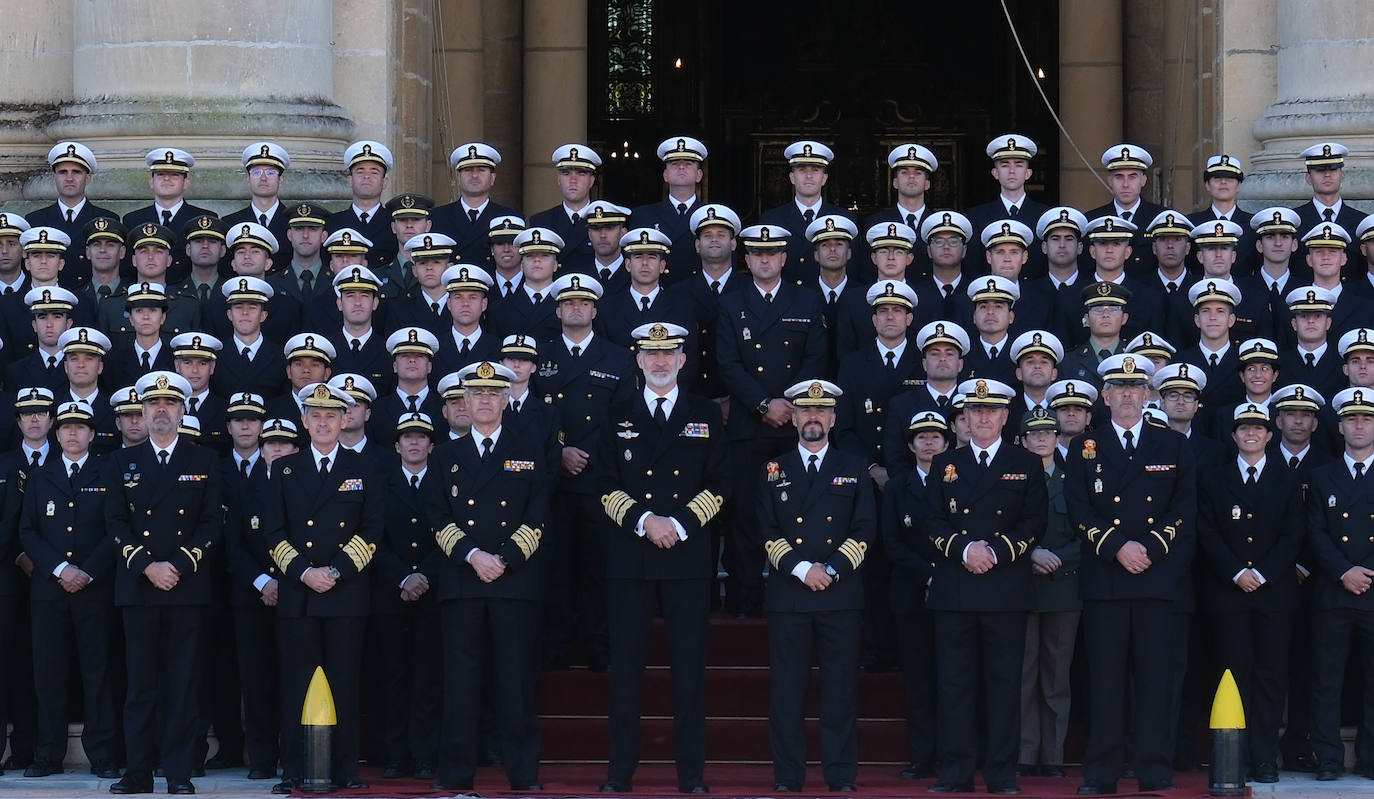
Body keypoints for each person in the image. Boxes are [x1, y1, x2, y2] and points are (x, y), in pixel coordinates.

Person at [597, 322, 727, 794]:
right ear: (637, 360)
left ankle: (691, 775)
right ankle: (619, 772)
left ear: (682, 360)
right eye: (650, 353)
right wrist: (645, 520)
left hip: (686, 557)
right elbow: (603, 483)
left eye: (667, 353)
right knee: (626, 672)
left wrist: (680, 524)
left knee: (688, 672)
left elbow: (720, 481)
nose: (659, 361)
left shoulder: (705, 413)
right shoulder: (616, 411)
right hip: (630, 558)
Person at [1065, 353, 1196, 794]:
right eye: (1118, 388)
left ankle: (1153, 769)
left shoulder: (1173, 445)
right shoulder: (1086, 446)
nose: (1126, 395)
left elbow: (1184, 509)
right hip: (1106, 579)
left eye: (1134, 388)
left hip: (1155, 579)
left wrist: (1150, 548)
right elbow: (1079, 510)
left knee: (1155, 680)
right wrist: (1118, 546)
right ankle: (1102, 772)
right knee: (1106, 681)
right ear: (1104, 396)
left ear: (1147, 395)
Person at [425, 361, 549, 792]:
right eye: (476, 394)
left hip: (513, 581)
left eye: (493, 394)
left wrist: (505, 558)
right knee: (460, 684)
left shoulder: (529, 449)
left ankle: (523, 774)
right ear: (464, 400)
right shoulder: (445, 455)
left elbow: (538, 514)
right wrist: (474, 555)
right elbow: (436, 515)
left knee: (515, 682)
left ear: (506, 399)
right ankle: (456, 773)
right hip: (463, 581)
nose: (483, 401)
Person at [923, 378, 1047, 794]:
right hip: (955, 587)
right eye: (975, 411)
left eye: (991, 411)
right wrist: (964, 549)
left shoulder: (1026, 463)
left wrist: (993, 552)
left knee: (1003, 686)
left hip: (1004, 588)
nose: (983, 418)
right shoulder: (945, 463)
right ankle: (956, 773)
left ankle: (1001, 774)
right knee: (954, 686)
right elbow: (932, 521)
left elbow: (1035, 522)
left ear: (1005, 416)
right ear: (964, 418)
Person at [105, 370, 222, 796]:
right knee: (140, 687)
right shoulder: (122, 462)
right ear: (142, 411)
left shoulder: (204, 461)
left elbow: (212, 522)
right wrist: (147, 566)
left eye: (169, 403)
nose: (160, 410)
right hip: (139, 588)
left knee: (182, 685)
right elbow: (114, 522)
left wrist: (178, 565)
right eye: (153, 404)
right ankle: (137, 772)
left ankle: (178, 772)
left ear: (182, 410)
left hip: (185, 588)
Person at [263, 381, 380, 794]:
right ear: (304, 420)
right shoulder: (285, 469)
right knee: (296, 683)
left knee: (345, 683)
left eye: (332, 415)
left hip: (345, 593)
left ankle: (346, 768)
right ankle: (294, 769)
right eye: (316, 415)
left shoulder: (365, 467)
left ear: (345, 420)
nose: (324, 422)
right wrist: (303, 572)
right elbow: (273, 531)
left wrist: (335, 572)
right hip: (299, 595)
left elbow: (372, 529)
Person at [759, 379, 873, 793]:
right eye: (806, 410)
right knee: (787, 693)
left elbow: (865, 529)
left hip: (839, 595)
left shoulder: (854, 467)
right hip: (790, 595)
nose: (814, 417)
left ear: (833, 419)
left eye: (821, 411)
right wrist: (803, 569)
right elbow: (766, 529)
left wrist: (831, 569)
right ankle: (788, 775)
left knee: (839, 692)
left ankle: (840, 774)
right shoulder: (774, 469)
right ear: (794, 418)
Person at [716, 223, 827, 617]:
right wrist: (764, 404)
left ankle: (796, 595)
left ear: (783, 258)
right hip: (749, 427)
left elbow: (816, 358)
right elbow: (727, 363)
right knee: (745, 516)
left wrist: (790, 405)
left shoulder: (806, 300)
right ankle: (746, 600)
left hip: (795, 428)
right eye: (757, 254)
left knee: (798, 514)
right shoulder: (731, 303)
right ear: (746, 260)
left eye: (772, 253)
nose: (764, 260)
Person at [1197, 402, 1303, 783]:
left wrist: (1261, 573)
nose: (1251, 434)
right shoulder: (1214, 478)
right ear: (1234, 435)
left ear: (1270, 434)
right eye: (1244, 428)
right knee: (1232, 675)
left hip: (1274, 595)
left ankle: (1264, 758)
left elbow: (1293, 535)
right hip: (1229, 594)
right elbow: (1207, 533)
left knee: (1270, 678)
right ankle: (1234, 758)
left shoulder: (1287, 479)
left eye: (1258, 428)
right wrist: (1237, 572)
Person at [17, 400, 119, 778]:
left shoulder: (108, 472)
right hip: (50, 591)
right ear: (56, 434)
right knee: (49, 674)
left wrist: (86, 571)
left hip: (95, 589)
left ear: (92, 434)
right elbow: (27, 530)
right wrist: (61, 569)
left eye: (80, 427)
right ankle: (48, 754)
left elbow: (115, 527)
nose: (72, 433)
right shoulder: (40, 475)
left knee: (99, 673)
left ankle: (103, 755)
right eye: (65, 427)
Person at [1305, 386, 1374, 781]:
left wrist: (1364, 571)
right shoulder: (1321, 476)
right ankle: (1328, 758)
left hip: (1373, 590)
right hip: (1334, 590)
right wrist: (1344, 571)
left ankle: (1371, 758)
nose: (1359, 425)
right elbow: (1315, 532)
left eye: (1366, 419)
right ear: (1340, 426)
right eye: (1352, 419)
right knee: (1325, 680)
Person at [373, 411, 442, 780]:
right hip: (392, 593)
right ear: (397, 446)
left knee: (427, 677)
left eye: (421, 437)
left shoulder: (444, 481)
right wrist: (403, 577)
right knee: (394, 676)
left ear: (431, 446)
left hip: (433, 593)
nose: (414, 443)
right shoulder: (381, 484)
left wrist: (422, 577)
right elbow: (372, 537)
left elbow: (451, 531)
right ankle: (395, 755)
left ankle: (425, 755)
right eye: (407, 437)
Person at [883, 410, 949, 780]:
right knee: (919, 679)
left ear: (946, 443)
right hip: (911, 592)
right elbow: (892, 541)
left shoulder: (959, 481)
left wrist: (944, 575)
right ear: (910, 445)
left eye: (935, 437)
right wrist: (928, 574)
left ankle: (956, 754)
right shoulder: (897, 487)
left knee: (954, 677)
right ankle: (922, 756)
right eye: (921, 437)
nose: (928, 443)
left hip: (955, 591)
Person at [1018, 407, 1079, 779]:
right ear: (1023, 440)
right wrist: (1029, 555)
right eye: (1034, 433)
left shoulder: (1075, 478)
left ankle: (1053, 755)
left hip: (1063, 588)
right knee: (1023, 675)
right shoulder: (1012, 478)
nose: (1041, 439)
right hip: (1021, 587)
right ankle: (1026, 753)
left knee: (1056, 676)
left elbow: (1088, 530)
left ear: (1058, 438)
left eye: (1048, 433)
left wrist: (1058, 558)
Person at [760, 140, 855, 284]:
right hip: (789, 296)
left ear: (824, 178)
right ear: (792, 177)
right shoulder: (772, 219)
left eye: (815, 170)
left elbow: (853, 270)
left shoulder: (844, 219)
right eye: (802, 170)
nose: (809, 176)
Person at [27, 142, 118, 288]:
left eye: (76, 172)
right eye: (63, 172)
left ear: (88, 178)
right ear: (54, 177)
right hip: (49, 297)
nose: (69, 178)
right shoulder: (35, 220)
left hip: (90, 297)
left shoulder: (106, 219)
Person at [121, 148, 218, 284]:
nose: (167, 179)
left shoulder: (203, 218)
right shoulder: (132, 220)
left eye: (174, 175)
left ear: (186, 183)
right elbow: (126, 268)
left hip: (189, 293)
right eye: (160, 174)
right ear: (151, 182)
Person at [967, 135, 1051, 279]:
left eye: (1019, 164)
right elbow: (974, 266)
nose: (1012, 171)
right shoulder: (977, 216)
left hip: (1034, 291)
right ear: (995, 173)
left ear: (1028, 173)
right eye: (1005, 165)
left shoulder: (1045, 215)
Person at [630, 136, 708, 282]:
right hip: (659, 290)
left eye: (688, 163)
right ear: (665, 175)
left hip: (697, 291)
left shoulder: (709, 216)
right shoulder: (643, 215)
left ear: (699, 175)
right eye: (674, 163)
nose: (681, 167)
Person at [431, 143, 521, 266]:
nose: (474, 175)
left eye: (481, 170)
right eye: (468, 170)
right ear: (458, 178)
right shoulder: (437, 217)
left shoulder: (509, 218)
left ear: (492, 178)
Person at [1085, 144, 1166, 278]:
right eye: (1119, 177)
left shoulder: (1160, 218)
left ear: (1143, 180)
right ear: (1110, 181)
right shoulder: (1092, 220)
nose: (1126, 184)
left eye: (1132, 177)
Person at [862, 143, 939, 280]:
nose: (911, 177)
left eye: (918, 173)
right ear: (895, 182)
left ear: (927, 184)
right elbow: (866, 271)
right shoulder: (876, 223)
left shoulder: (937, 223)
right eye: (904, 172)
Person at [528, 144, 601, 273]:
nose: (573, 180)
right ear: (559, 180)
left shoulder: (604, 221)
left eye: (581, 174)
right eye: (566, 174)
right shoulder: (541, 222)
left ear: (591, 181)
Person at [325, 140, 398, 270]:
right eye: (360, 171)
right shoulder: (332, 224)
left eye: (374, 172)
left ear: (384, 182)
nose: (366, 176)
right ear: (350, 180)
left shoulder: (395, 224)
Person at [222, 142, 292, 271]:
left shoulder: (293, 223)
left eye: (271, 172)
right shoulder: (230, 223)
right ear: (248, 180)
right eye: (256, 172)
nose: (263, 178)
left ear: (281, 180)